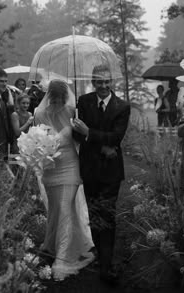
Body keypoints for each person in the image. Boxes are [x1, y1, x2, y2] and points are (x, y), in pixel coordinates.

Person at [72, 64, 130, 285]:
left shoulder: (122, 106)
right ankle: (101, 256)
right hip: (89, 169)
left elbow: (115, 137)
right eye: (99, 81)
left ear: (111, 82)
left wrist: (90, 133)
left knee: (107, 214)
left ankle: (107, 267)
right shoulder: (83, 102)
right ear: (93, 81)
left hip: (111, 172)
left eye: (107, 81)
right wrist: (95, 139)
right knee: (95, 215)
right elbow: (76, 135)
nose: (103, 85)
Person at [34, 79, 94, 281]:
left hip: (70, 166)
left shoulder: (72, 111)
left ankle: (62, 258)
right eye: (55, 99)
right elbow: (35, 139)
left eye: (61, 99)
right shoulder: (39, 113)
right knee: (54, 209)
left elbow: (81, 137)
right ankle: (51, 245)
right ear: (49, 96)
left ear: (66, 97)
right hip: (50, 168)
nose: (58, 102)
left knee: (66, 210)